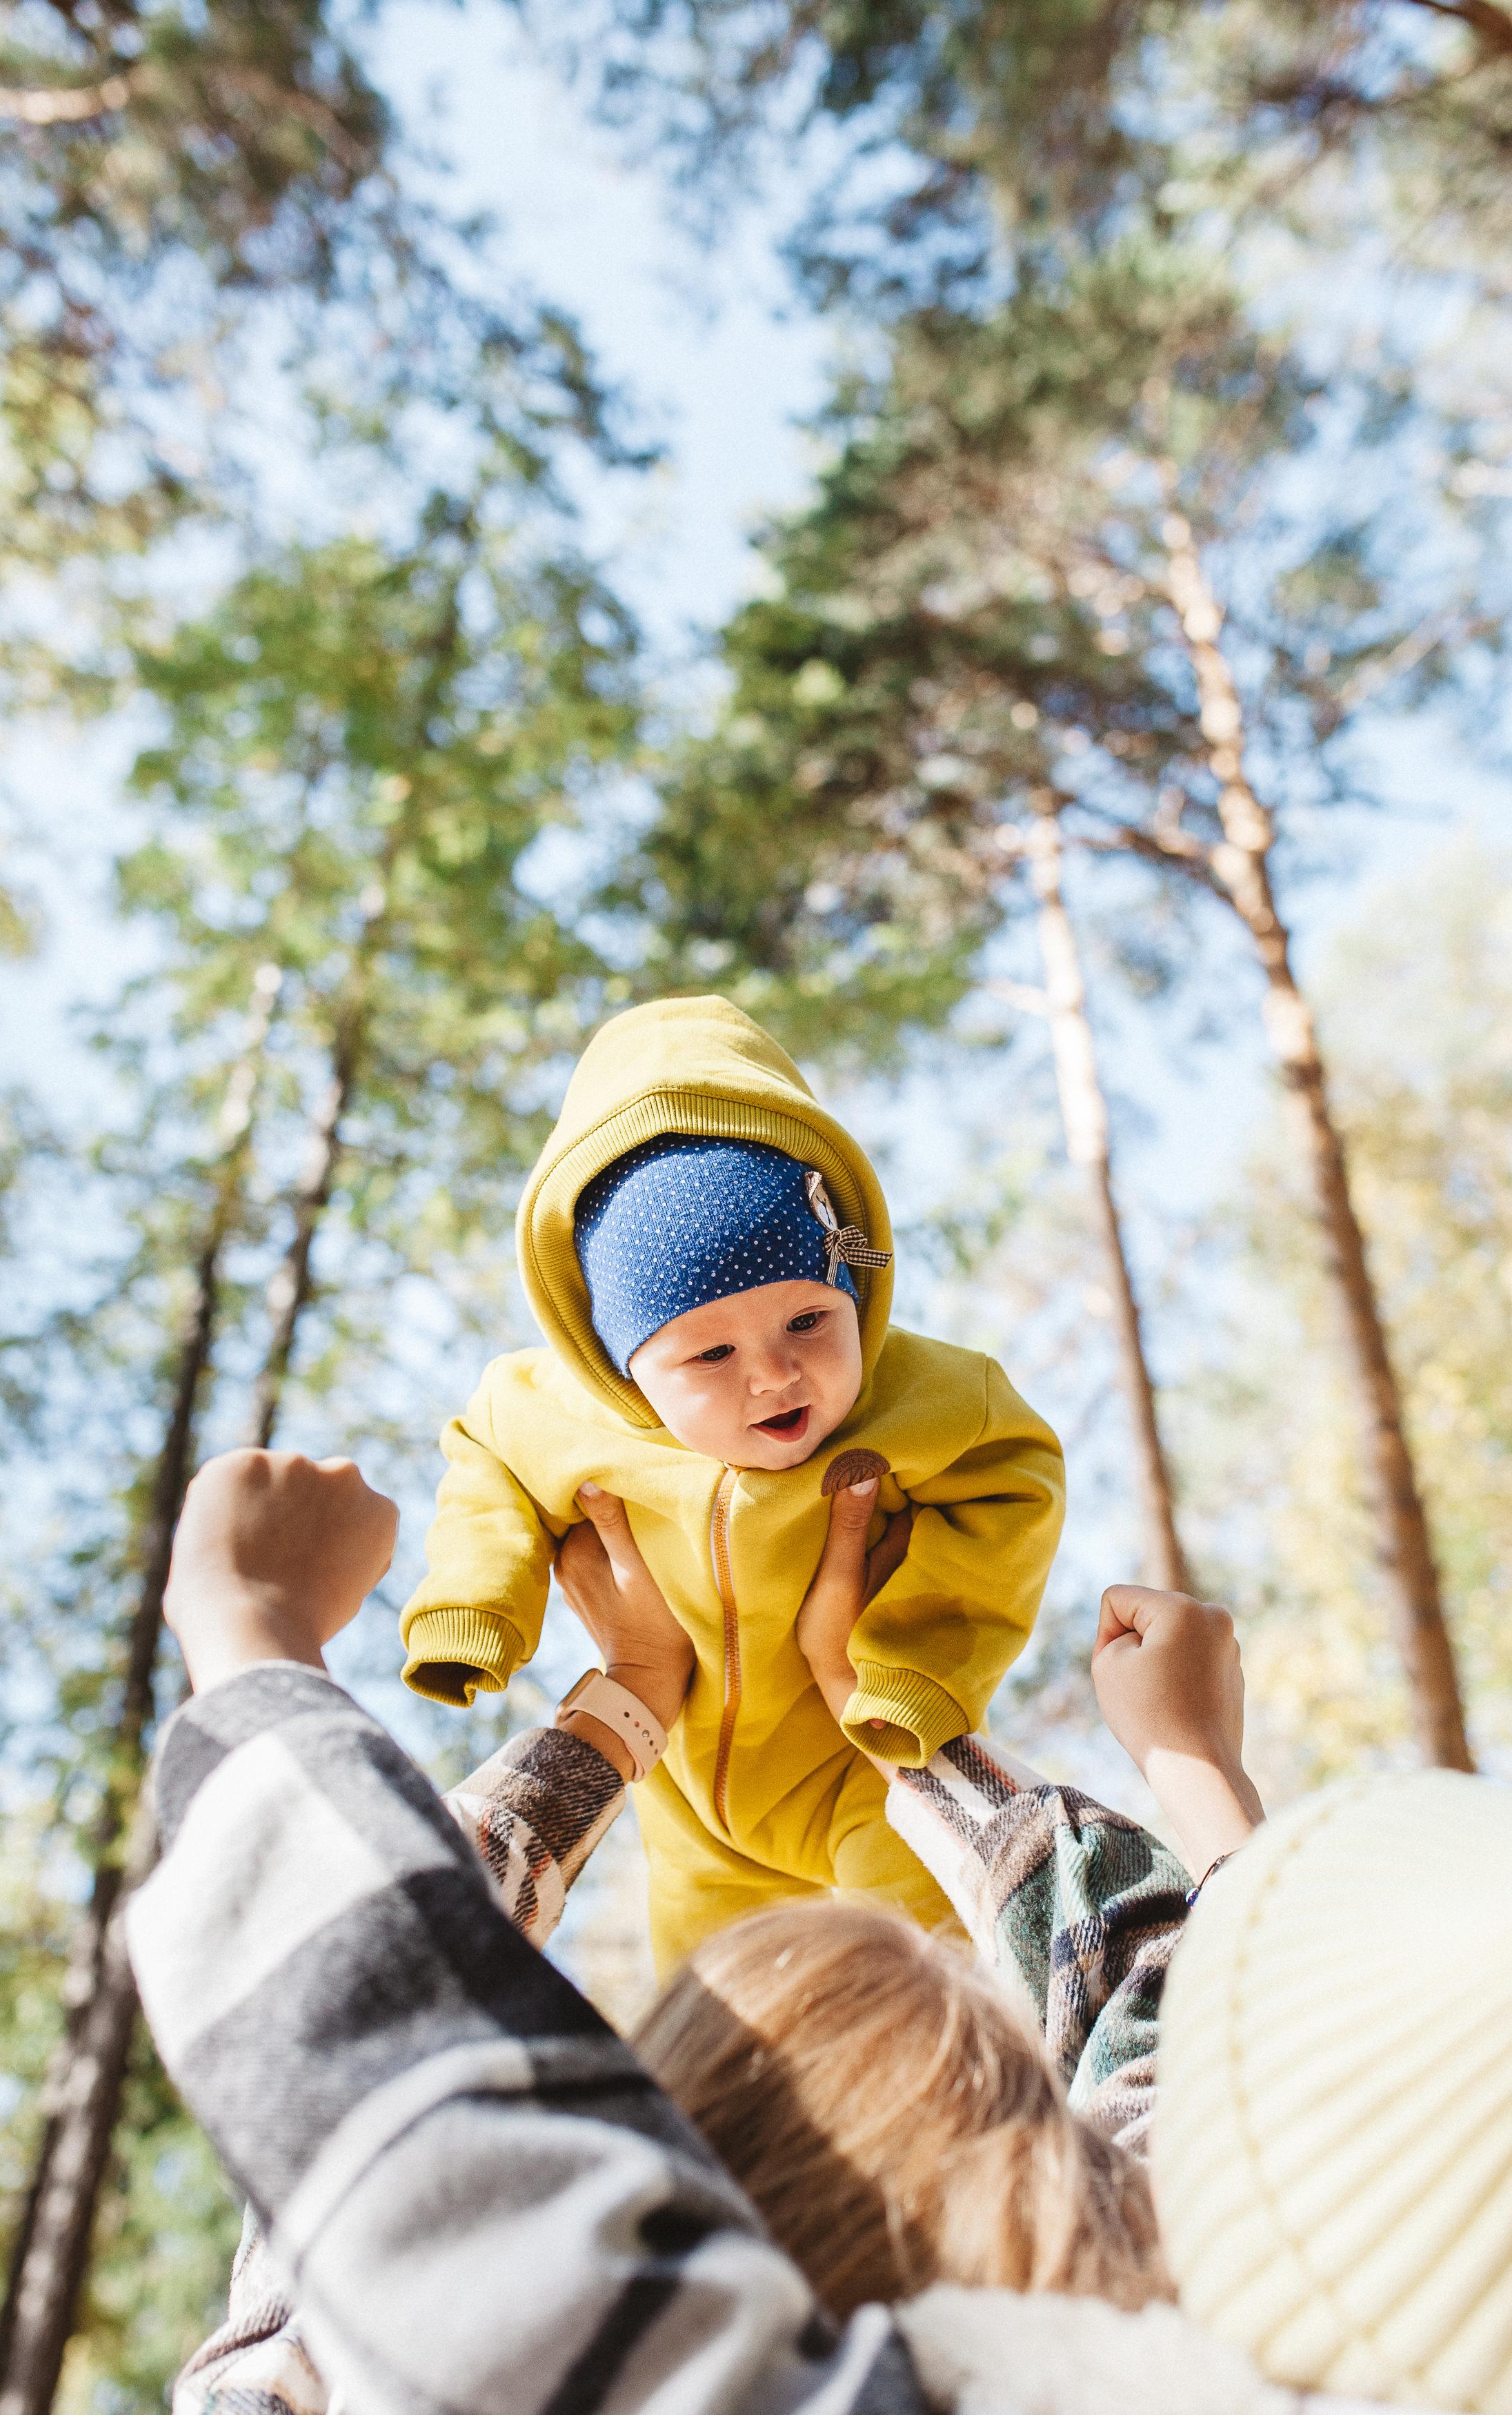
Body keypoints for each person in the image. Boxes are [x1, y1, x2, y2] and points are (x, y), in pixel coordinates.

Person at [143, 1450, 1309, 2415]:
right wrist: (1192, 1769)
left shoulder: (484, 2350)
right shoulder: (1231, 2361)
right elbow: (1219, 2084)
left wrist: (250, 1620)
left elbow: (387, 2124)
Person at [398, 994, 1066, 1969]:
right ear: (619, 1363)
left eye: (807, 1322)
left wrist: (912, 1667)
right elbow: (486, 1466)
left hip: (861, 1760)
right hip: (684, 1813)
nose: (772, 1376)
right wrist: (474, 1613)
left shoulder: (929, 1398)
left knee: (932, 1978)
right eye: (707, 1356)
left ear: (855, 1282)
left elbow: (1015, 1478)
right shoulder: (552, 1412)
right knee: (712, 2030)